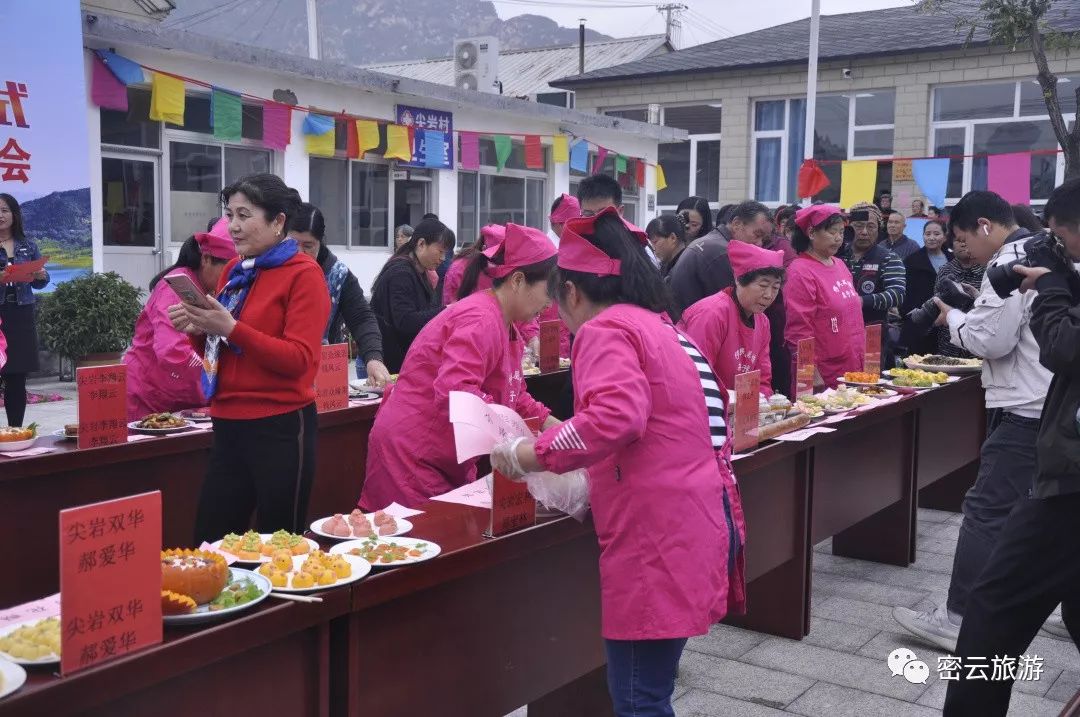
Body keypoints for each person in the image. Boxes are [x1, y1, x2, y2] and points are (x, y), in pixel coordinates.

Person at [489, 207, 743, 717]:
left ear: (573, 293)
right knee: (651, 688)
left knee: (638, 697)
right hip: (698, 521)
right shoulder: (662, 327)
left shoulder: (605, 331)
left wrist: (528, 454)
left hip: (656, 537)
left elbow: (615, 417)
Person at [942, 178, 1080, 716]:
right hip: (1055, 445)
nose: (1063, 250)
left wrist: (1048, 290)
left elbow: (1064, 347)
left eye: (1066, 240)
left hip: (1066, 473)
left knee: (993, 609)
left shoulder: (1036, 267)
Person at [892, 190, 1049, 654]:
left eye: (963, 238)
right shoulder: (1043, 249)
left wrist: (953, 316)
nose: (965, 251)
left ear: (984, 225)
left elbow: (990, 340)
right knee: (1050, 511)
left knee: (986, 512)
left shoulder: (1013, 259)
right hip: (1054, 403)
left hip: (1027, 406)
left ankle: (959, 619)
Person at [167, 173, 330, 544]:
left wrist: (230, 329)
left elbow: (300, 361)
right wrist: (198, 326)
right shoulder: (234, 270)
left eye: (244, 215)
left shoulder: (305, 275)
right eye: (230, 215)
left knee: (279, 546)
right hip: (228, 423)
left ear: (277, 222)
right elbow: (219, 356)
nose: (234, 226)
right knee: (211, 543)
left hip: (281, 426)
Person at [359, 223, 560, 509]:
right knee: (417, 542)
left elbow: (516, 395)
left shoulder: (506, 322)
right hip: (414, 452)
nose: (550, 301)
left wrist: (558, 429)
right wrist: (515, 438)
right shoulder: (480, 320)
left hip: (444, 454)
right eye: (548, 289)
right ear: (517, 281)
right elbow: (456, 393)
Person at [125, 220, 236, 421]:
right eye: (229, 270)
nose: (233, 278)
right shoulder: (176, 287)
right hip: (148, 401)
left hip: (184, 402)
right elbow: (172, 351)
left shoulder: (215, 289)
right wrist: (220, 378)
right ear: (207, 259)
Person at [291, 203, 390, 386]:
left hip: (322, 374)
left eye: (308, 246)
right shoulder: (269, 268)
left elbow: (361, 317)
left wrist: (373, 357)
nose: (299, 253)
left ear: (321, 243)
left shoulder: (337, 275)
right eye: (291, 244)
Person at [679, 240, 784, 396]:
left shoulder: (763, 321)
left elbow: (762, 379)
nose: (769, 295)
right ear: (739, 280)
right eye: (763, 285)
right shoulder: (711, 314)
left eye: (775, 287)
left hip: (743, 410)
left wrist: (762, 402)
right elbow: (695, 377)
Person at [784, 205, 865, 390]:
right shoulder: (800, 271)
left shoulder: (840, 265)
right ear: (811, 233)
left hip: (853, 363)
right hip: (824, 372)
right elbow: (798, 330)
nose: (838, 238)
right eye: (832, 232)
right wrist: (810, 373)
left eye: (842, 232)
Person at [370, 218, 455, 373]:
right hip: (388, 365)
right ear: (421, 244)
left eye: (445, 253)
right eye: (440, 251)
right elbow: (405, 321)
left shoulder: (420, 271)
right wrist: (446, 311)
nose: (443, 259)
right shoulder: (401, 273)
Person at [667, 201, 773, 311]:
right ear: (736, 224)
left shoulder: (713, 242)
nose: (760, 243)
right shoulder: (723, 254)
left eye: (764, 239)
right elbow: (731, 308)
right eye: (757, 234)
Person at [0, 193, 48, 428]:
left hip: (20, 315)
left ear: (14, 215)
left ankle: (15, 430)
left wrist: (40, 275)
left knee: (16, 377)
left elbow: (41, 282)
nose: (0, 215)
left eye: (5, 210)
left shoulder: (28, 245)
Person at [842, 202, 906, 368]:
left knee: (868, 383)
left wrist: (861, 301)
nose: (864, 232)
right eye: (858, 226)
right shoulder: (837, 255)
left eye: (870, 226)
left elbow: (897, 294)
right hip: (838, 332)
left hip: (872, 332)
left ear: (879, 228)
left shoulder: (889, 258)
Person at [900, 219, 952, 355]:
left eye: (936, 234)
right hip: (920, 322)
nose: (931, 238)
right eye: (927, 234)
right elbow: (905, 294)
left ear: (945, 236)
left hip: (948, 321)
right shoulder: (912, 261)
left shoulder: (953, 259)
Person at [931, 234, 985, 359]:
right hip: (949, 342)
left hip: (977, 337)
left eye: (965, 240)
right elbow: (937, 301)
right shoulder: (945, 270)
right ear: (951, 245)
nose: (963, 244)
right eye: (958, 241)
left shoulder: (986, 269)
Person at [442, 224, 505, 304]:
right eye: (498, 254)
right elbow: (450, 305)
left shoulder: (505, 269)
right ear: (484, 248)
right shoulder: (459, 268)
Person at [647, 214, 688, 286]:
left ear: (672, 238)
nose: (653, 249)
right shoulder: (669, 265)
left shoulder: (685, 269)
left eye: (655, 242)